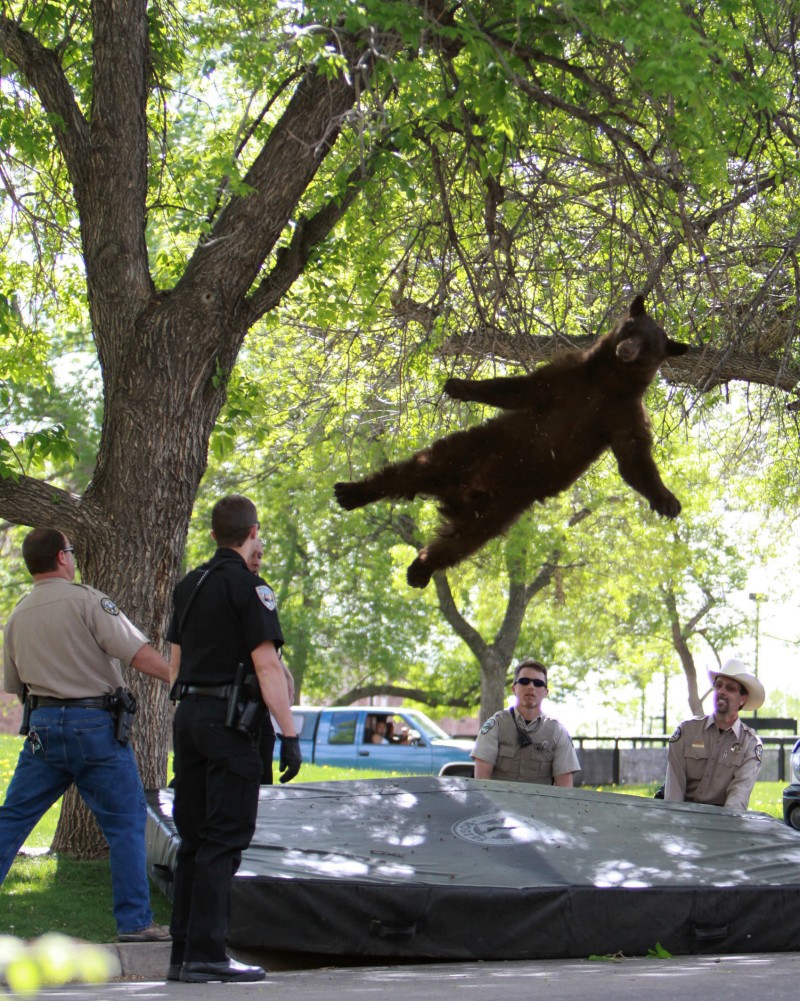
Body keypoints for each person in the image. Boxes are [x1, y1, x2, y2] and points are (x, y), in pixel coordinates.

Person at [0, 527, 171, 943]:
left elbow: (13, 682)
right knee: (127, 824)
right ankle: (135, 924)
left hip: (42, 729)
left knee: (12, 820)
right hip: (94, 726)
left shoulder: (18, 614)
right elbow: (136, 652)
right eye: (71, 551)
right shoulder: (87, 600)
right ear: (62, 557)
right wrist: (178, 679)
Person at [166, 495, 301, 985]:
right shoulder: (251, 588)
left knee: (193, 839)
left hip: (190, 718)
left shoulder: (189, 585)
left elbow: (175, 668)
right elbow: (266, 666)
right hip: (231, 724)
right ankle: (208, 954)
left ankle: (182, 955)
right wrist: (288, 734)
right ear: (253, 532)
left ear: (214, 533)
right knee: (224, 839)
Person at [664, 659, 764, 811]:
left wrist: (721, 829)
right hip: (682, 819)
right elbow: (674, 792)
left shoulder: (750, 744)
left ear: (742, 699)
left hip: (722, 825)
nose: (721, 691)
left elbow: (738, 799)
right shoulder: (686, 731)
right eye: (718, 685)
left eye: (730, 688)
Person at [471, 659, 580, 785]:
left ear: (546, 692)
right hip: (498, 804)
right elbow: (481, 784)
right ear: (514, 688)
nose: (531, 687)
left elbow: (564, 792)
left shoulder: (558, 732)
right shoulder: (496, 725)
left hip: (541, 805)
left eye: (538, 683)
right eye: (524, 681)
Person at [246, 541, 296, 784]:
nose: (257, 561)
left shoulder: (261, 589)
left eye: (260, 555)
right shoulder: (252, 590)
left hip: (254, 706)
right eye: (252, 554)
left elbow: (267, 651)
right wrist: (290, 736)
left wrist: (284, 672)